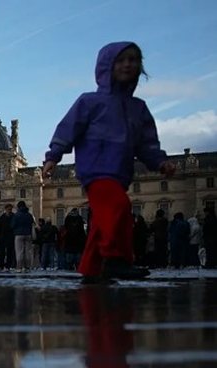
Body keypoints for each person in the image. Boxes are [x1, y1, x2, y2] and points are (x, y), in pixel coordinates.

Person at [42, 42, 175, 283]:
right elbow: (68, 129)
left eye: (134, 59)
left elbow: (147, 144)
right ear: (107, 66)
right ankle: (116, 259)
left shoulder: (138, 108)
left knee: (103, 221)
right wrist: (53, 156)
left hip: (120, 172)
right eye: (121, 60)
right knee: (119, 207)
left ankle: (92, 268)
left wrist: (160, 162)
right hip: (95, 170)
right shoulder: (89, 101)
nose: (128, 64)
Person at [11, 201, 36, 272]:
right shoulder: (29, 215)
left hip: (18, 235)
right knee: (28, 252)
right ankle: (27, 267)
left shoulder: (16, 215)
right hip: (28, 234)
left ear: (18, 207)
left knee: (19, 252)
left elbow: (12, 225)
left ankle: (19, 267)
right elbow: (32, 223)